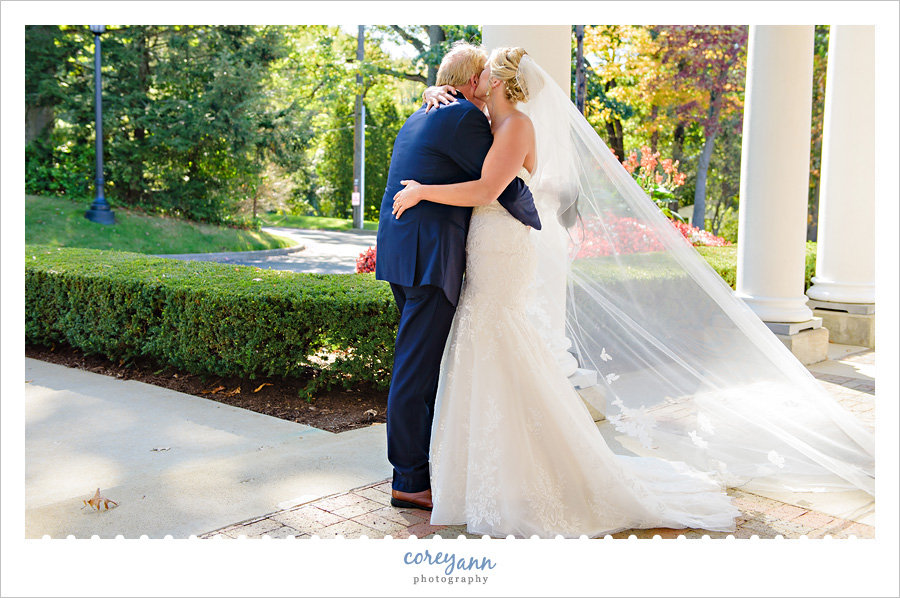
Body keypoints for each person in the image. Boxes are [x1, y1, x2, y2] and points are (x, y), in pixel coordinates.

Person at [390, 47, 874, 538]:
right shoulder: (484, 124)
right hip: (485, 244)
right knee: (485, 345)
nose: (478, 83)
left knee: (499, 337)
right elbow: (468, 157)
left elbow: (487, 190)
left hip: (500, 245)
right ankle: (478, 470)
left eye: (484, 76)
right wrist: (437, 91)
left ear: (493, 83)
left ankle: (514, 472)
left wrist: (423, 190)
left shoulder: (514, 127)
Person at [375, 42, 540, 512]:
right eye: (486, 78)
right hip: (429, 260)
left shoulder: (420, 114)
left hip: (402, 254)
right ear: (472, 83)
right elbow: (499, 185)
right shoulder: (464, 117)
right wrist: (535, 211)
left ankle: (418, 469)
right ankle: (408, 480)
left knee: (416, 366)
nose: (491, 86)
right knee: (415, 371)